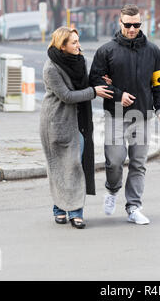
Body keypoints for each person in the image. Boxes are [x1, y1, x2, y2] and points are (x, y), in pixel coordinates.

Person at [89, 4, 160, 225]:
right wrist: (117, 95)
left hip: (143, 115)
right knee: (114, 160)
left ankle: (133, 207)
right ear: (120, 23)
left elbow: (159, 84)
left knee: (138, 163)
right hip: (115, 113)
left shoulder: (153, 51)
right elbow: (94, 81)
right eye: (128, 25)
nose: (132, 29)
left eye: (136, 25)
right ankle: (112, 189)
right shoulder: (106, 51)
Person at [40, 27, 114, 229]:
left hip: (79, 121)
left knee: (74, 165)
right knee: (61, 166)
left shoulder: (80, 61)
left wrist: (99, 83)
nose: (78, 45)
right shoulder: (51, 68)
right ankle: (63, 209)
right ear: (62, 46)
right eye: (74, 42)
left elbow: (82, 85)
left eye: (78, 41)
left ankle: (72, 210)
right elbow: (67, 96)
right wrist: (93, 91)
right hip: (57, 122)